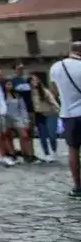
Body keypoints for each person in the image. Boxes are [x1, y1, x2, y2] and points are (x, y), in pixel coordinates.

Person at [48, 41, 81, 197]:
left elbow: (53, 91)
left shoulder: (56, 67)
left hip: (68, 114)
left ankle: (78, 187)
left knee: (73, 150)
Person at [30, 75, 60, 161]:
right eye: (32, 80)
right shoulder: (30, 93)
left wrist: (57, 110)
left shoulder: (44, 91)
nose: (34, 82)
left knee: (52, 135)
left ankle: (54, 151)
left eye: (36, 80)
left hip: (51, 114)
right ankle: (46, 154)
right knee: (42, 136)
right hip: (39, 115)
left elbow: (53, 102)